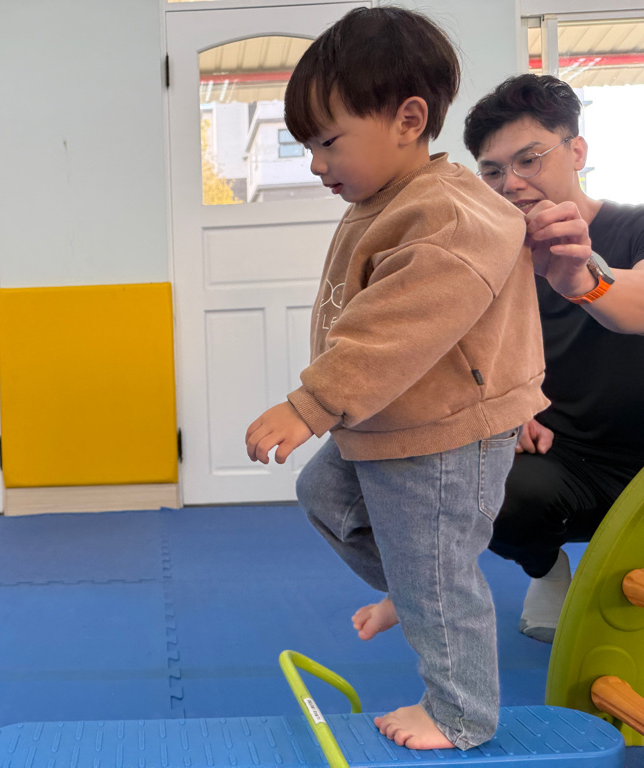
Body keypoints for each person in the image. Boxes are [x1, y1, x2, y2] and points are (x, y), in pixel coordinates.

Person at [243, 6, 548, 753]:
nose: (316, 164)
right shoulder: (386, 199)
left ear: (408, 120)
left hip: (442, 432)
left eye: (328, 142)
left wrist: (311, 403)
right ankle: (415, 591)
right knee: (325, 498)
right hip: (390, 420)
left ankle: (460, 713)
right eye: (308, 147)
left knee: (436, 572)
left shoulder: (446, 214)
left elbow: (396, 326)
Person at [463, 74, 644, 643]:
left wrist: (584, 280)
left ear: (577, 151)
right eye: (493, 171)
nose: (512, 183)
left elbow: (639, 302)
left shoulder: (635, 226)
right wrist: (506, 407)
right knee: (483, 487)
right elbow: (474, 355)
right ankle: (546, 569)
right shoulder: (494, 257)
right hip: (563, 461)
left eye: (529, 159)